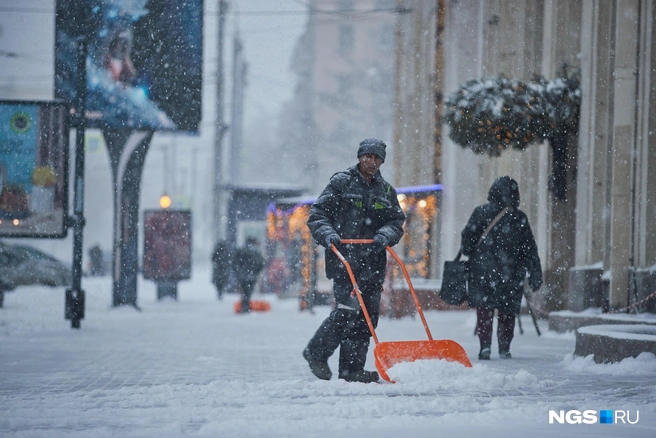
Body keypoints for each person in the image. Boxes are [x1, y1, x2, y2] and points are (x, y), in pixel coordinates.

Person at [303, 138, 405, 383]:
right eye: (367, 156)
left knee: (367, 318)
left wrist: (384, 235)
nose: (371, 161)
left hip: (373, 263)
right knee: (348, 311)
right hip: (344, 260)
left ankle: (352, 370)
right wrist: (328, 234)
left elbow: (396, 222)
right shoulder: (341, 183)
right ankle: (316, 352)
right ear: (359, 157)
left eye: (376, 158)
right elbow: (318, 215)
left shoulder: (386, 191)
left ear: (381, 161)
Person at [460, 176, 543, 360]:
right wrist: (535, 272)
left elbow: (467, 243)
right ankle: (504, 348)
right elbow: (529, 248)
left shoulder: (480, 212)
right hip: (511, 274)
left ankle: (485, 347)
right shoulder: (519, 218)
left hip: (482, 273)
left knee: (484, 311)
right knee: (508, 312)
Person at [233, 237, 265, 313]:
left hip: (242, 275)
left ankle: (244, 305)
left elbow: (234, 262)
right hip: (252, 276)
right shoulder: (256, 252)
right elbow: (261, 263)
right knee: (248, 291)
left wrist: (238, 272)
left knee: (244, 291)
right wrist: (256, 272)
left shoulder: (241, 250)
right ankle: (246, 306)